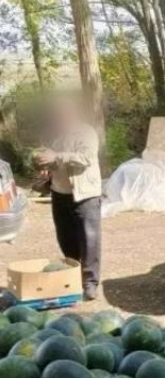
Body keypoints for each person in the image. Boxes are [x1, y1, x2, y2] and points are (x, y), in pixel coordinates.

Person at [34, 96, 103, 301]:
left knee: (89, 241)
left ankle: (90, 284)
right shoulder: (57, 137)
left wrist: (57, 156)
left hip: (85, 196)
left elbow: (86, 158)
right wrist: (46, 170)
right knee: (66, 239)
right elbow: (56, 162)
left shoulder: (86, 132)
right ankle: (72, 279)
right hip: (60, 194)